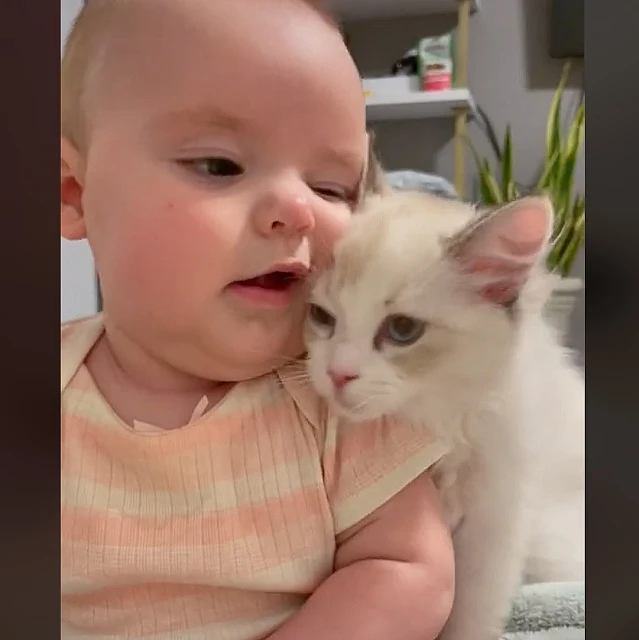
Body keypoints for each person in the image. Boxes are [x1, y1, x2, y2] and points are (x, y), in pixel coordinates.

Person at [60, 1, 454, 638]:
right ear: (73, 193)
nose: (298, 211)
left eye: (332, 190)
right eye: (220, 165)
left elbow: (408, 567)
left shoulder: (341, 402)